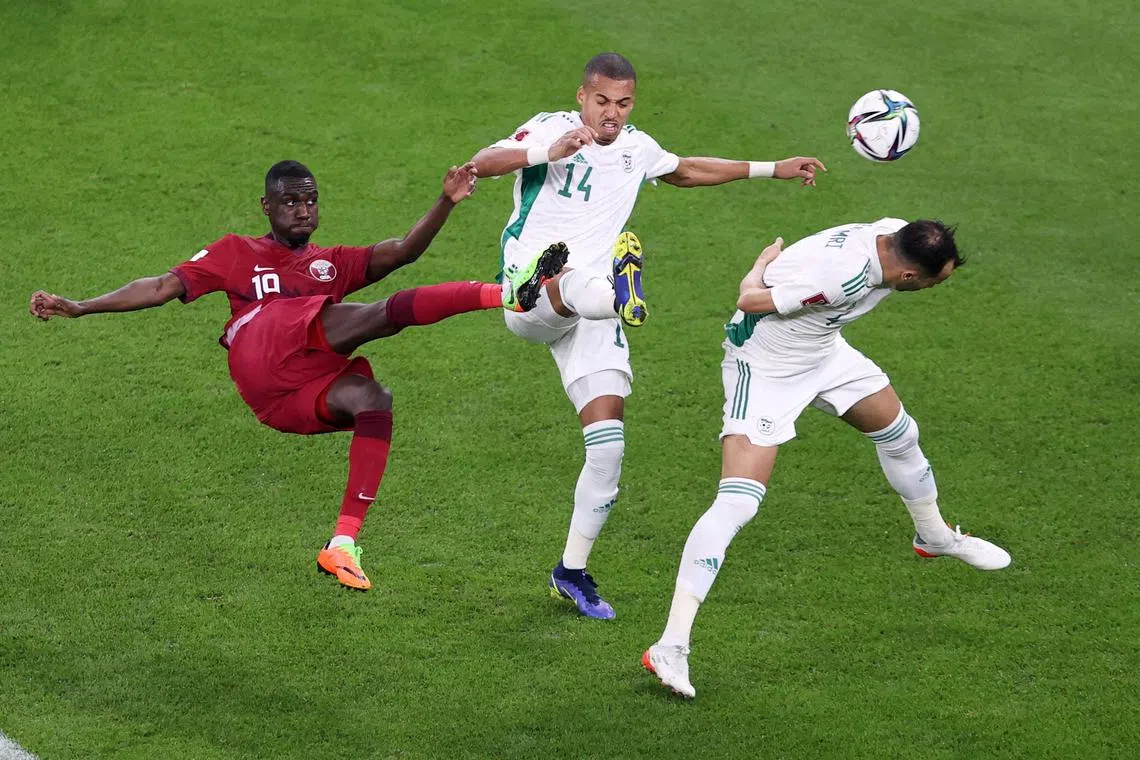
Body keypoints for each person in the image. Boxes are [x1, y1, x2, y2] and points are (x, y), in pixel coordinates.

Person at [29, 160, 567, 591]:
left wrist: (444, 203)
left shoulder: (329, 264)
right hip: (258, 353)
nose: (302, 209)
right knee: (367, 316)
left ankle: (343, 544)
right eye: (290, 200)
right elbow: (160, 287)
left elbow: (402, 252)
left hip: (284, 401)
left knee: (372, 397)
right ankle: (506, 294)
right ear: (267, 207)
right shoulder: (237, 252)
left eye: (309, 200)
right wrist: (80, 306)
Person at [468, 52, 827, 619]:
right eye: (603, 101)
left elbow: (684, 170)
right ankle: (608, 292)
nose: (612, 114)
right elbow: (482, 163)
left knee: (608, 446)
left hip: (592, 319)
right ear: (582, 97)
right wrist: (546, 152)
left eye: (624, 103)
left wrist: (771, 167)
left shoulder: (636, 146)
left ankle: (572, 572)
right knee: (569, 279)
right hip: (529, 295)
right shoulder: (551, 128)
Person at [641, 219, 1012, 698]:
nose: (936, 288)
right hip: (766, 367)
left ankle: (934, 536)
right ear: (907, 277)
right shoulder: (846, 279)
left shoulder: (895, 232)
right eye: (935, 282)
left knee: (901, 433)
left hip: (823, 352)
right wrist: (756, 270)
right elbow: (749, 302)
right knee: (737, 504)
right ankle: (670, 646)